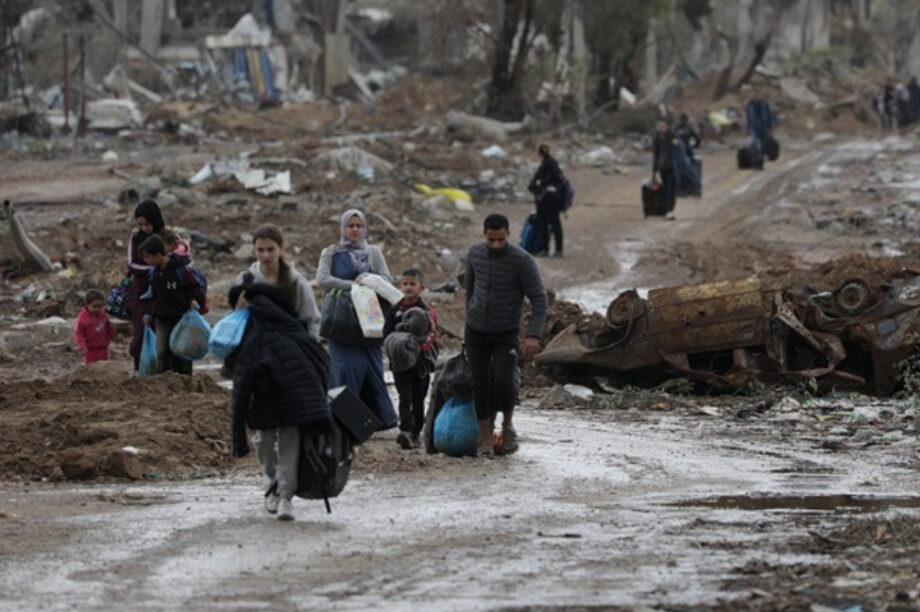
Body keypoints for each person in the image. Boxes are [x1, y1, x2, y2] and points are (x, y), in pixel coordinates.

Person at [230, 282, 332, 522]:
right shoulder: (256, 331)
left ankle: (285, 496)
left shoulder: (281, 330)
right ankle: (274, 482)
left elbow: (318, 365)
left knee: (288, 443)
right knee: (264, 442)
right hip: (265, 399)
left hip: (292, 399)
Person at [464, 214, 547, 457]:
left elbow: (539, 299)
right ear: (484, 235)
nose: (496, 244)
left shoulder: (522, 260)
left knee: (504, 382)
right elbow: (469, 290)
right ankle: (486, 440)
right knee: (479, 384)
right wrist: (469, 318)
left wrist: (533, 335)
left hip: (505, 332)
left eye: (501, 239)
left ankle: (507, 425)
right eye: (491, 240)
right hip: (476, 331)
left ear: (508, 234)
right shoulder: (474, 254)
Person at [316, 209, 397, 429]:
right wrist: (352, 286)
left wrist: (369, 279)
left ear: (364, 228)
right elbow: (322, 279)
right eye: (350, 226)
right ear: (343, 228)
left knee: (372, 368)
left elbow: (386, 278)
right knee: (344, 369)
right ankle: (345, 420)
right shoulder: (331, 252)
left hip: (369, 321)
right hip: (341, 322)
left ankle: (379, 419)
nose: (354, 230)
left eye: (358, 226)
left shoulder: (373, 253)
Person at [383, 268, 438, 450]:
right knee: (404, 396)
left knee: (418, 397)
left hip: (420, 363)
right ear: (400, 286)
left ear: (421, 287)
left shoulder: (427, 312)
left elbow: (430, 336)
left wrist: (415, 346)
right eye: (405, 284)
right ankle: (406, 430)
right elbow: (387, 334)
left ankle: (416, 431)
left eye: (412, 284)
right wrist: (395, 347)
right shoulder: (394, 310)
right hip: (400, 363)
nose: (408, 287)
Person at [235, 224, 320, 338]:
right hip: (254, 344)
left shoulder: (296, 282)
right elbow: (237, 320)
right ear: (254, 250)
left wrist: (310, 344)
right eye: (260, 250)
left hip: (290, 344)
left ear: (281, 249)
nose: (266, 255)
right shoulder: (245, 280)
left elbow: (311, 320)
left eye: (271, 249)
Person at [139, 234, 203, 376]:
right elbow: (152, 296)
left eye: (148, 257)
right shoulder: (155, 273)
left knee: (182, 350)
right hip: (162, 318)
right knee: (162, 351)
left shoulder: (180, 269)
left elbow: (194, 287)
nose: (146, 261)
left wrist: (193, 300)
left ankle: (185, 380)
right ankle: (165, 380)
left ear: (158, 255)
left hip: (181, 317)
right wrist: (149, 314)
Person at [126, 199, 165, 371]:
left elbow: (181, 258)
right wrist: (154, 269)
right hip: (140, 292)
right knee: (141, 331)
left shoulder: (166, 236)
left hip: (164, 292)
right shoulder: (135, 238)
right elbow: (131, 264)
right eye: (140, 225)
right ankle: (140, 368)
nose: (144, 228)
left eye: (147, 224)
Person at [528, 143, 565, 257]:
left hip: (549, 197)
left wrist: (539, 183)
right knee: (545, 223)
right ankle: (549, 249)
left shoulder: (549, 163)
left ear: (539, 152)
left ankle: (554, 250)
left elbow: (554, 178)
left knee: (551, 223)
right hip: (544, 198)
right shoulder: (548, 162)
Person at [73, 288, 116, 365]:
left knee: (104, 367)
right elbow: (79, 334)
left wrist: (113, 336)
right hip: (90, 351)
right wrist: (82, 347)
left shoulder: (103, 316)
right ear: (87, 305)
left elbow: (108, 327)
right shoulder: (82, 319)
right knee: (92, 369)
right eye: (94, 306)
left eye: (100, 306)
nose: (97, 309)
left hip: (103, 349)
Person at [651, 119, 678, 219]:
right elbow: (656, 155)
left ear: (667, 127)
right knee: (666, 189)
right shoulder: (656, 139)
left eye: (663, 126)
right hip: (662, 167)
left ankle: (670, 210)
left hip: (673, 167)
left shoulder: (672, 136)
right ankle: (667, 210)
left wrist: (676, 143)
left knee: (671, 188)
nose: (661, 128)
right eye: (660, 126)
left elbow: (680, 146)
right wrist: (654, 171)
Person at [746, 89, 775, 169]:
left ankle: (760, 163)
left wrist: (771, 128)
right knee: (755, 145)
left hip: (764, 128)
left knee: (762, 146)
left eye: (758, 96)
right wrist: (748, 128)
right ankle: (756, 162)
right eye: (755, 96)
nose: (756, 97)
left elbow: (769, 116)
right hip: (754, 128)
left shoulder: (765, 104)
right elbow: (748, 118)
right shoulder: (750, 105)